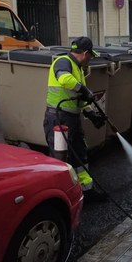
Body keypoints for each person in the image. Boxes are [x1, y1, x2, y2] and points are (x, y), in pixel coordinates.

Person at [43, 36, 106, 192]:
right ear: (85, 53)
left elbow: (80, 98)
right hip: (59, 119)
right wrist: (84, 90)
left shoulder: (77, 68)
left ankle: (86, 189)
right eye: (91, 55)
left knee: (79, 153)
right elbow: (64, 79)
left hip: (72, 118)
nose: (90, 58)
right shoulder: (63, 62)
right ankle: (61, 192)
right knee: (61, 158)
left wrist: (90, 114)